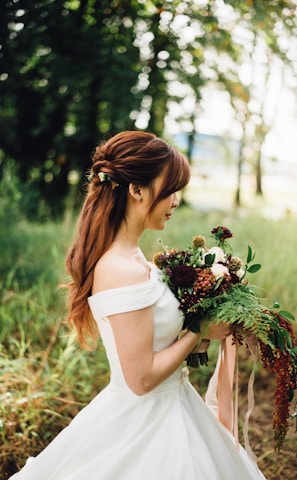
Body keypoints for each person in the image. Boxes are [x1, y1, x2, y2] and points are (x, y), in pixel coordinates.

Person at [10, 131, 266, 479]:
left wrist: (204, 326)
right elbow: (141, 379)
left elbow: (155, 340)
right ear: (137, 190)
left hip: (175, 403)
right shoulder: (119, 268)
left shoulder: (135, 256)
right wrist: (199, 329)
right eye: (171, 189)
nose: (176, 201)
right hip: (146, 421)